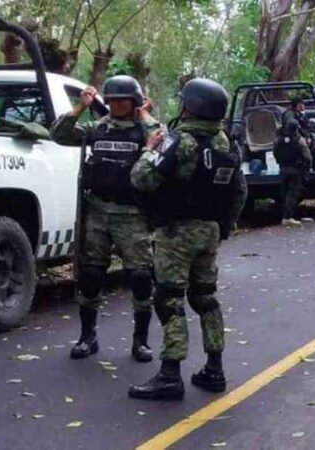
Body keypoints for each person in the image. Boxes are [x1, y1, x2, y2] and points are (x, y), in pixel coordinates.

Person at [129, 78, 247, 401]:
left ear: (189, 107)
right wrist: (223, 226)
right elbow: (239, 192)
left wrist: (146, 151)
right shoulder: (228, 144)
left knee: (169, 298)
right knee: (205, 298)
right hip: (209, 233)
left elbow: (142, 179)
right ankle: (215, 369)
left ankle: (170, 374)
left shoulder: (179, 141)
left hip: (176, 233)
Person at [50, 75, 159, 363]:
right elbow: (59, 135)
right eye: (112, 100)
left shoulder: (144, 131)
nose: (117, 104)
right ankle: (88, 336)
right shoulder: (96, 129)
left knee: (140, 276)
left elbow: (161, 141)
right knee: (91, 274)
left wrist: (145, 115)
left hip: (131, 214)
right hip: (97, 210)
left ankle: (140, 342)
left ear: (134, 102)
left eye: (124, 100)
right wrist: (79, 107)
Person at [274, 119, 311, 227]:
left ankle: (283, 215)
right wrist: (307, 168)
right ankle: (287, 217)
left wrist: (279, 162)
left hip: (283, 169)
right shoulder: (299, 140)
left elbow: (275, 151)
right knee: (293, 193)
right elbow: (307, 157)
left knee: (284, 193)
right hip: (296, 169)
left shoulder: (279, 139)